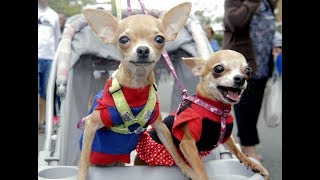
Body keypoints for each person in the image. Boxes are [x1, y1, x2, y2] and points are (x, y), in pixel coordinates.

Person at [222, 0, 277, 161]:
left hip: (264, 63)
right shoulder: (236, 2)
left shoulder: (268, 3)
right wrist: (251, 3)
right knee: (245, 105)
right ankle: (249, 146)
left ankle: (244, 141)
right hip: (241, 63)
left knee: (255, 107)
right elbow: (234, 22)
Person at [38, 0, 61, 129]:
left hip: (49, 58)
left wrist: (57, 61)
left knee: (46, 91)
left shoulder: (53, 15)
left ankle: (43, 120)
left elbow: (57, 37)